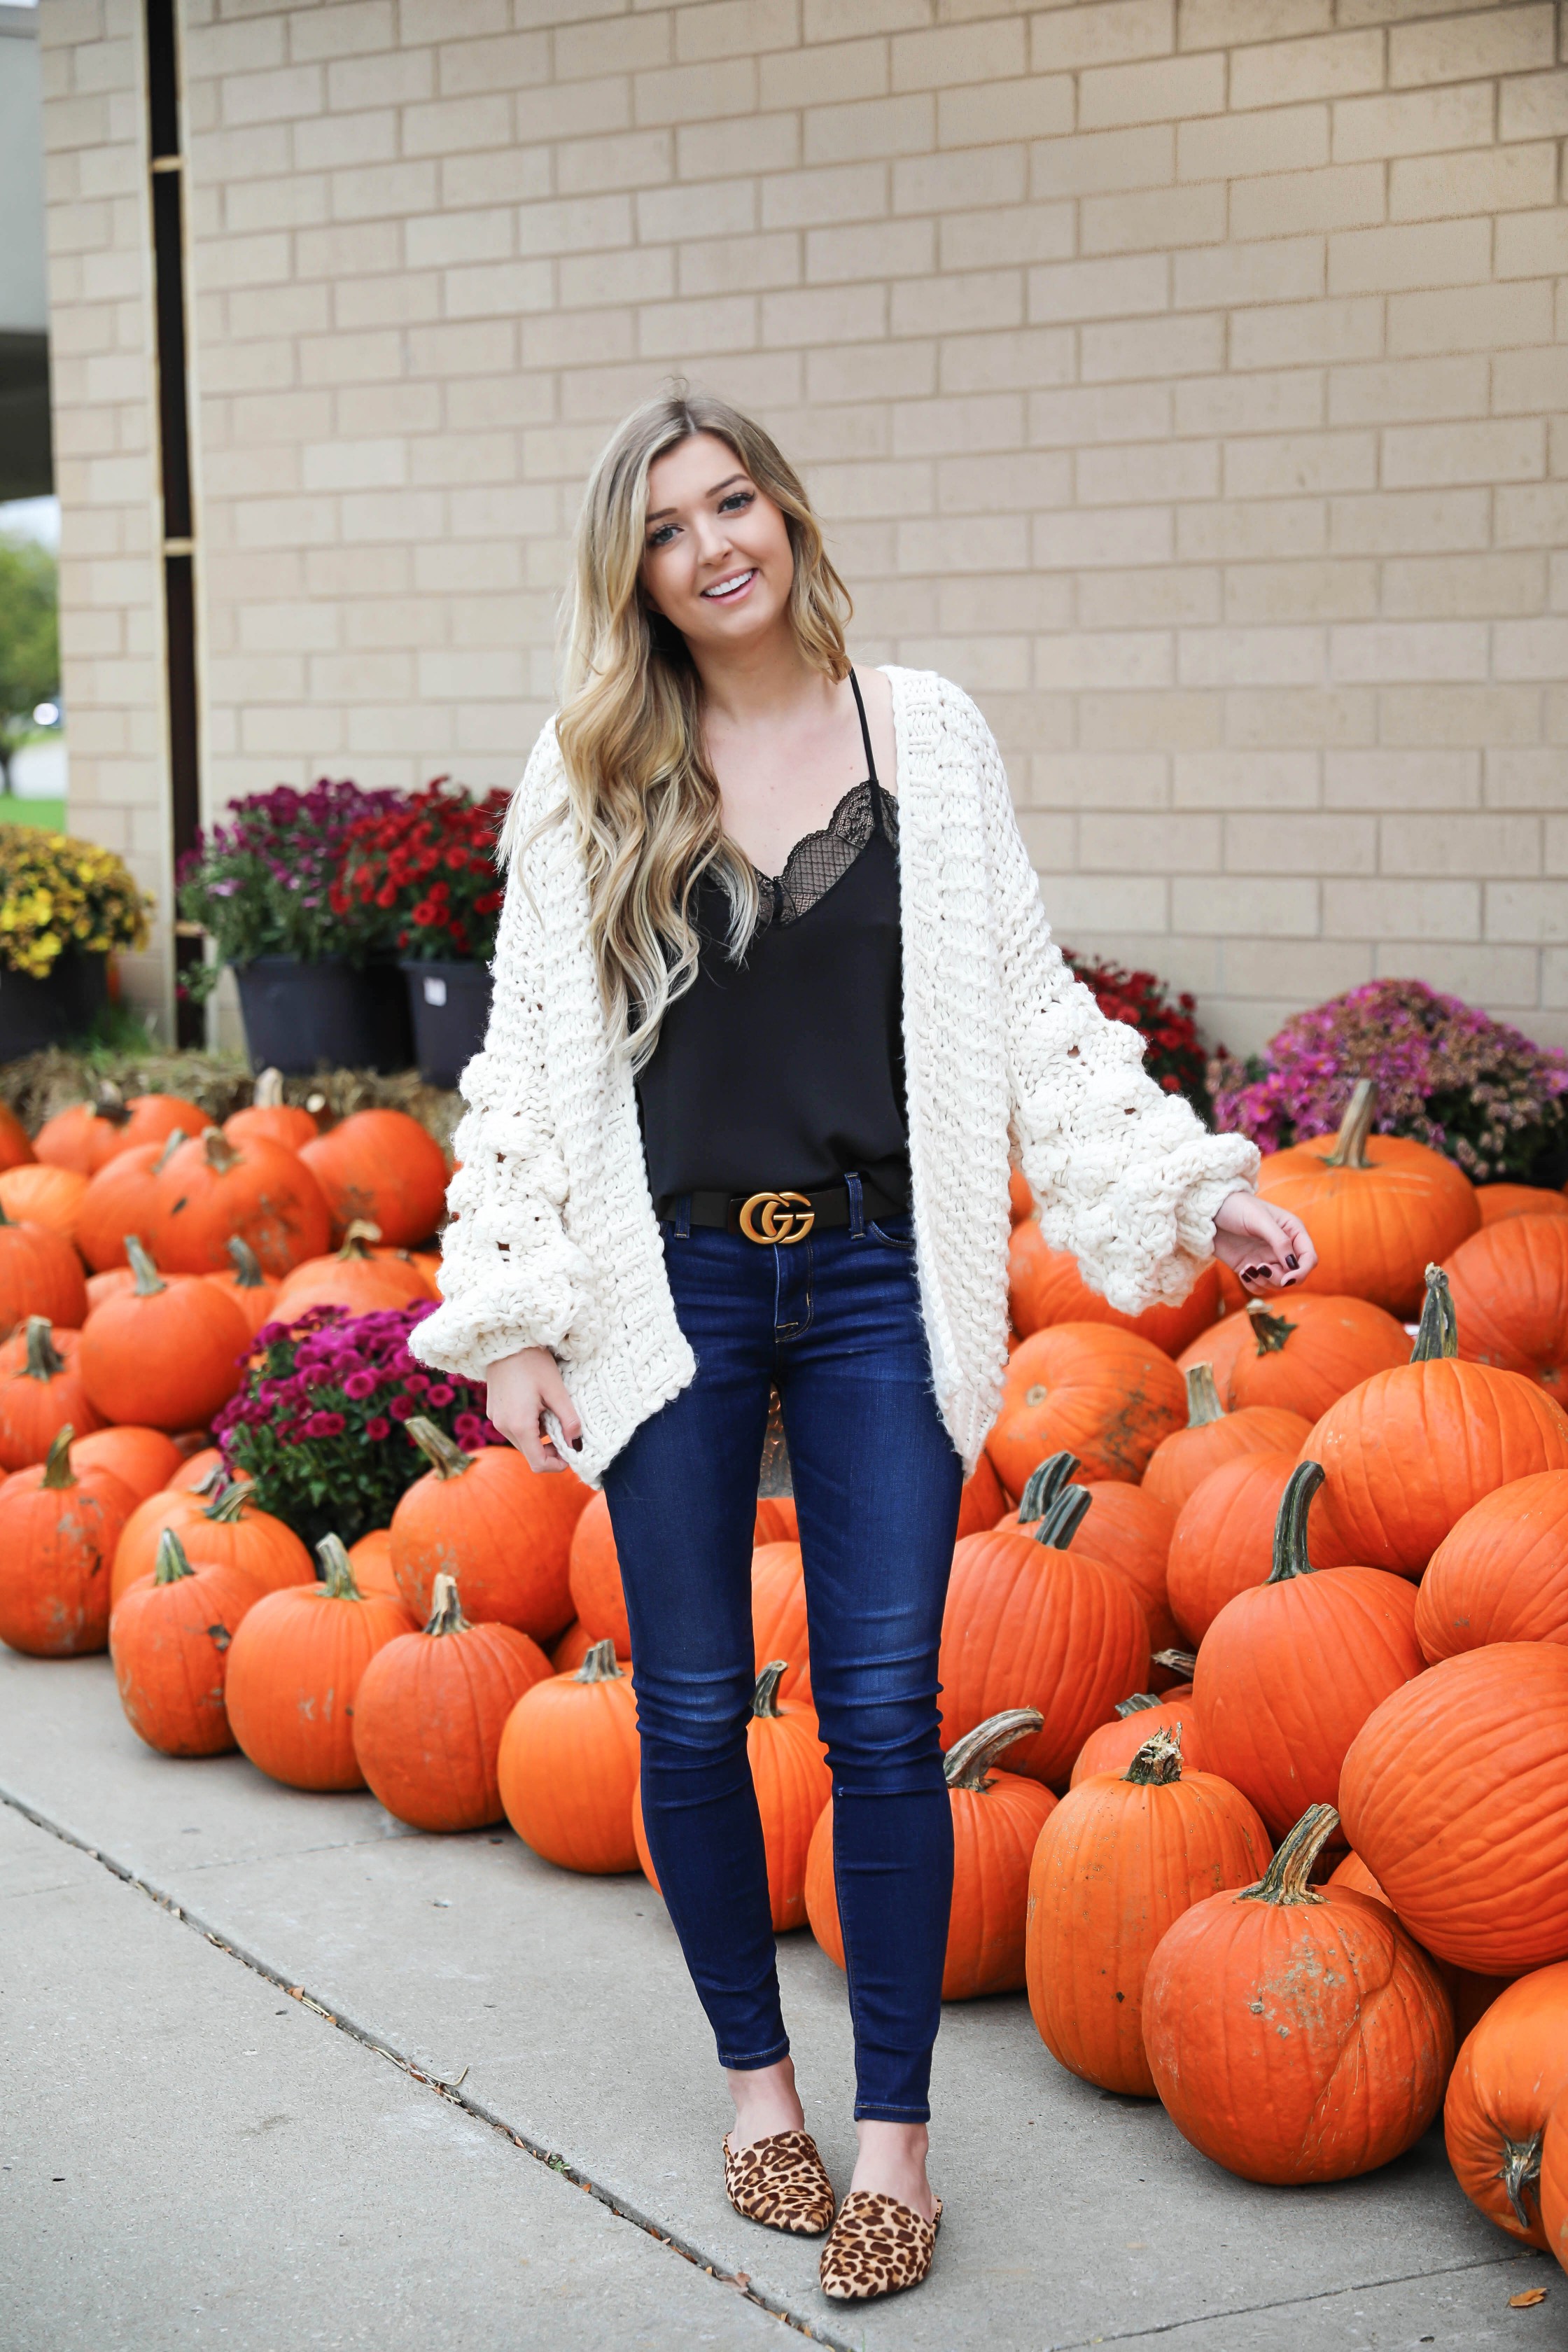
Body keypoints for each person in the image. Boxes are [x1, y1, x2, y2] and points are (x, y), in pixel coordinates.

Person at [412, 386, 1315, 2304]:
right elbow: (516, 1067)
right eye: (668, 528)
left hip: (880, 1279)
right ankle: (761, 2095)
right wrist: (509, 1313)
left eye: (733, 500)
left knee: (888, 1713)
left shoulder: (928, 733)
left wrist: (1179, 1182)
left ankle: (893, 2140)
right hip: (672, 1282)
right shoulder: (585, 778)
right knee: (681, 1709)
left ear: (788, 512)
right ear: (633, 576)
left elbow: (1030, 1000)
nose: (714, 543)